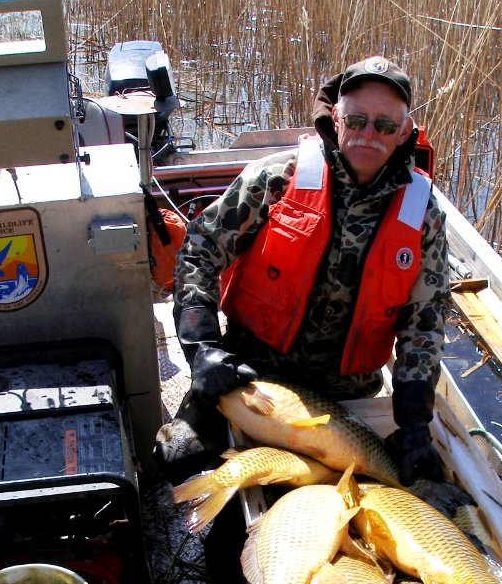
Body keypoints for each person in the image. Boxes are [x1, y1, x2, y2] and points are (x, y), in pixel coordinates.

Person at [156, 55, 451, 486]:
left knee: (367, 489)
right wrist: (201, 349)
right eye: (357, 120)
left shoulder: (421, 211)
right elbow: (199, 251)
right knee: (178, 458)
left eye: (385, 126)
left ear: (405, 132)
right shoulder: (279, 176)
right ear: (336, 117)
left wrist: (414, 427)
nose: (369, 134)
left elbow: (424, 325)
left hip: (345, 397)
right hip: (249, 378)